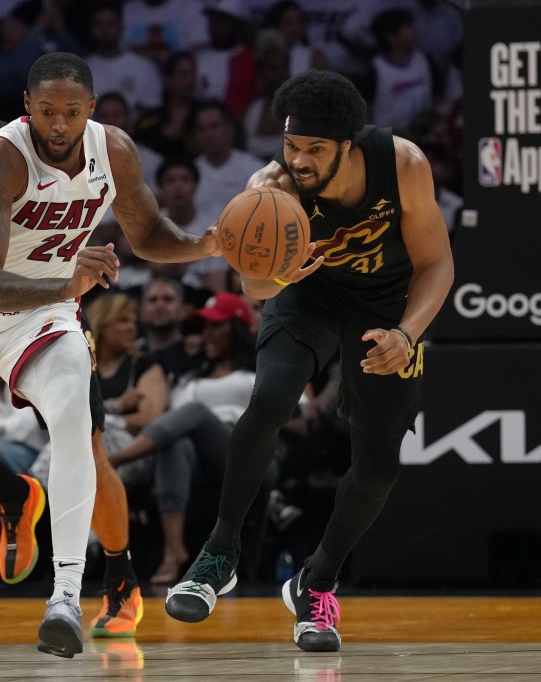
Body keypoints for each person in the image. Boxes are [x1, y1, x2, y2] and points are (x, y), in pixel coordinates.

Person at [0, 52, 221, 658]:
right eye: (47, 113)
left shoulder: (112, 150)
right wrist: (67, 283)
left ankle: (67, 593)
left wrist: (211, 245)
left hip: (46, 313)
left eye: (72, 112)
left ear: (91, 110)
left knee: (74, 420)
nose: (59, 125)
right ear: (26, 110)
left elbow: (145, 235)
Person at [165, 69, 454, 654]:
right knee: (271, 397)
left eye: (314, 150)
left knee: (377, 468)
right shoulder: (271, 186)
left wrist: (406, 332)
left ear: (349, 145)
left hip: (386, 304)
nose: (298, 160)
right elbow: (253, 288)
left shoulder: (403, 166)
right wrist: (273, 275)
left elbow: (437, 265)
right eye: (291, 145)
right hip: (308, 296)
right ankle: (219, 554)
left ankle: (316, 583)